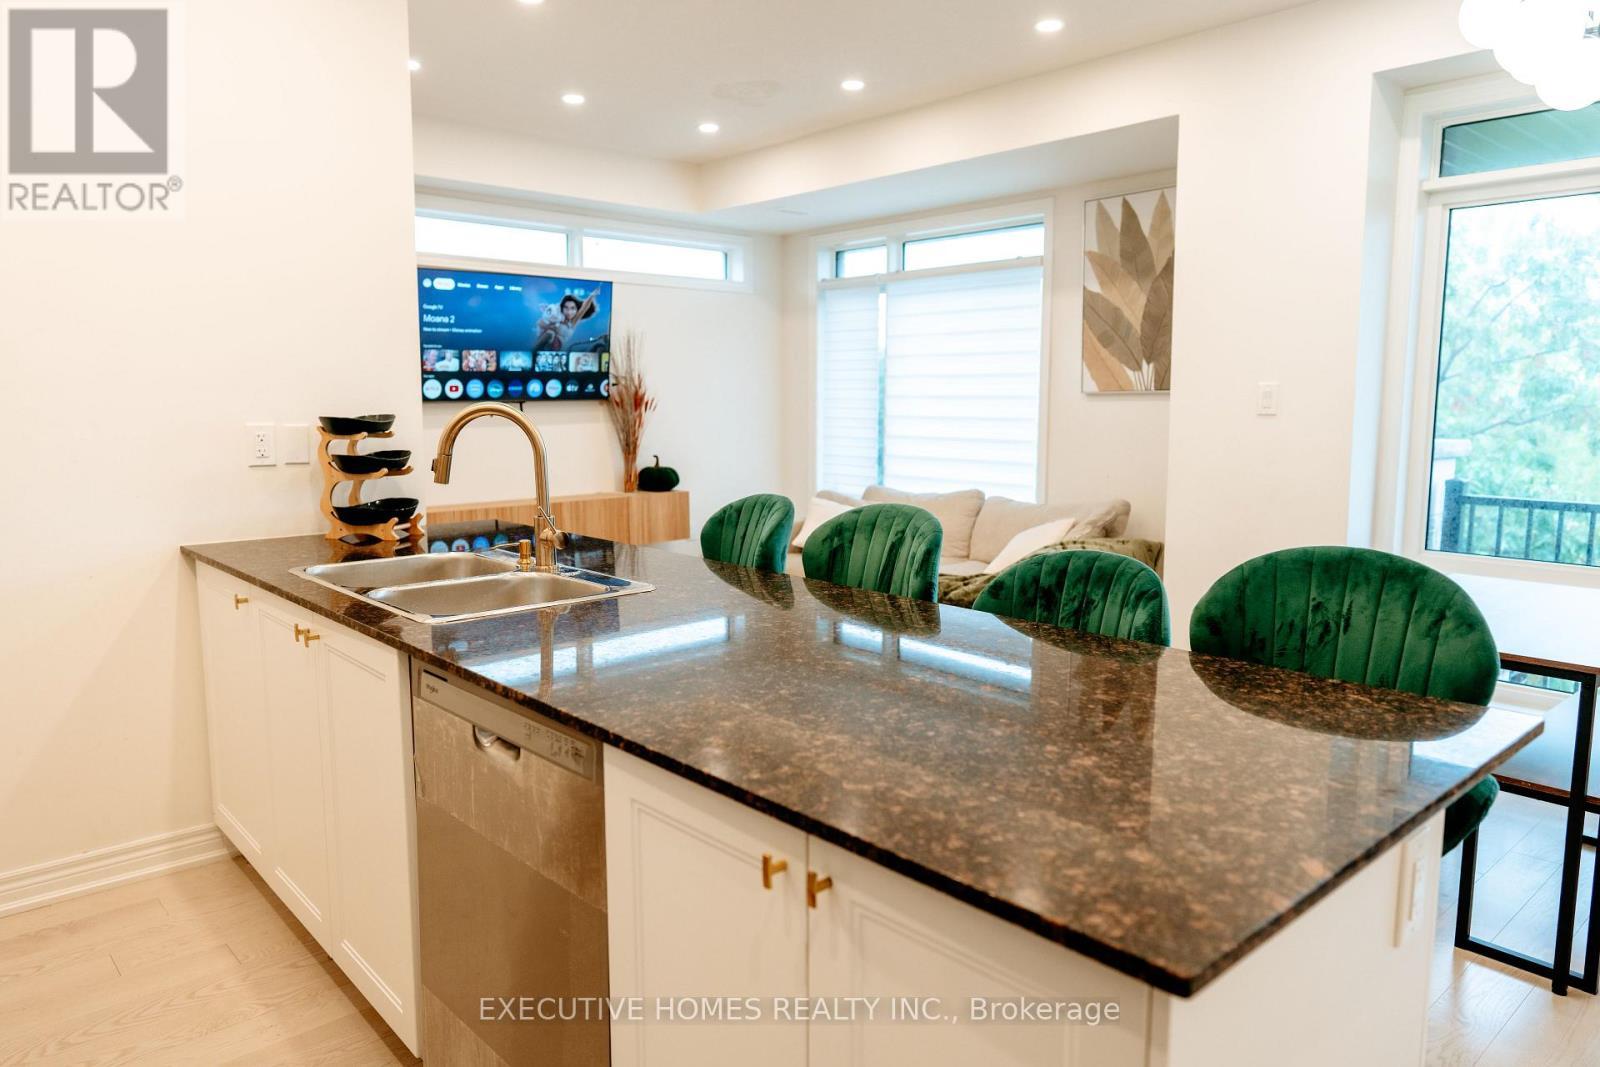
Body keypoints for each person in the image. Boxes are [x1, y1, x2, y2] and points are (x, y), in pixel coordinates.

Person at [533, 292, 597, 352]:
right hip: (543, 343)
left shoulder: (573, 322)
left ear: (576, 310)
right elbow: (539, 323)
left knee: (550, 333)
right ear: (562, 308)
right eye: (566, 308)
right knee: (550, 333)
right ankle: (533, 352)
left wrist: (592, 296)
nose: (569, 312)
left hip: (556, 347)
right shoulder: (557, 316)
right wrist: (552, 326)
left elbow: (584, 308)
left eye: (572, 308)